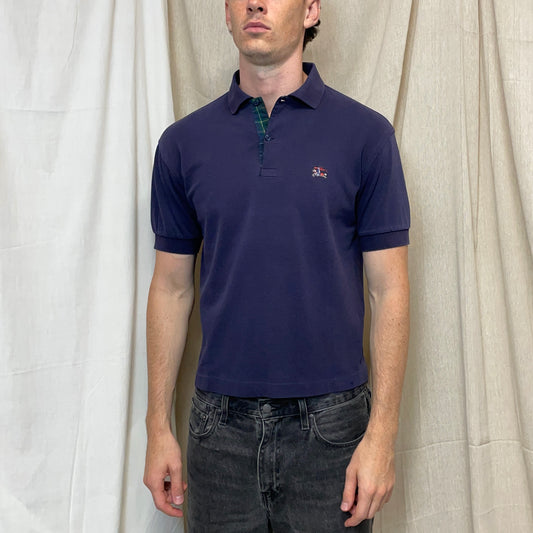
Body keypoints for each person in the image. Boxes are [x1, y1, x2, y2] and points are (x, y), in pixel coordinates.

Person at [143, 0, 410, 531]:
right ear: (226, 14)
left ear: (310, 10)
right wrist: (157, 427)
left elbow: (389, 290)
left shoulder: (366, 135)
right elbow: (170, 288)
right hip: (218, 430)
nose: (256, 3)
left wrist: (381, 436)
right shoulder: (182, 144)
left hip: (332, 429)